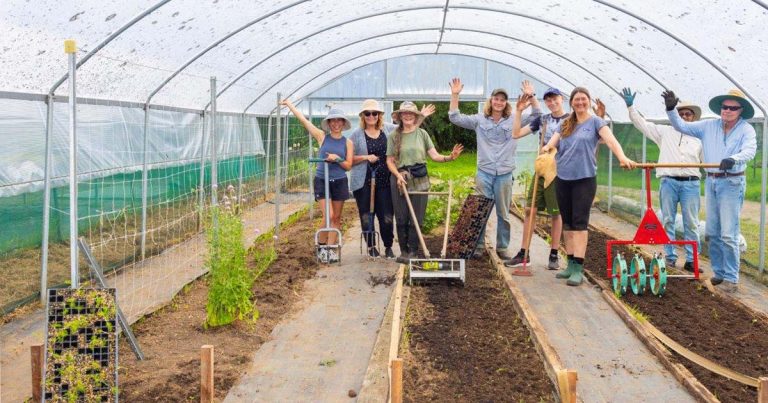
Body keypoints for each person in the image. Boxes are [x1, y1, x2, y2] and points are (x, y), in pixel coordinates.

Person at [662, 89, 757, 293]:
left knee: (729, 233)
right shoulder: (708, 126)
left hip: (732, 182)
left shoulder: (746, 130)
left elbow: (750, 150)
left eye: (733, 108)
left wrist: (734, 159)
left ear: (740, 111)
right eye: (725, 107)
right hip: (712, 181)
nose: (728, 110)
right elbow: (681, 125)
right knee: (712, 232)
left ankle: (731, 278)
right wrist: (671, 109)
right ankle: (720, 273)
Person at [541, 87, 636, 286]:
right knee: (567, 222)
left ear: (588, 101)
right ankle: (570, 263)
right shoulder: (566, 123)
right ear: (572, 103)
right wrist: (546, 149)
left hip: (584, 179)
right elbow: (552, 142)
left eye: (583, 99)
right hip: (563, 178)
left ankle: (579, 266)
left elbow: (611, 141)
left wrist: (622, 157)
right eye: (577, 100)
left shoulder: (596, 122)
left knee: (579, 223)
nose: (580, 103)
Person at [448, 78, 541, 260]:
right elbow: (454, 117)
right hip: (484, 173)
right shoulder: (479, 120)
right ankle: (478, 247)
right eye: (496, 99)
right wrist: (455, 94)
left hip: (505, 173)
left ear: (506, 103)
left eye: (502, 99)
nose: (499, 102)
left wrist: (532, 95)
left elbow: (537, 115)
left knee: (503, 213)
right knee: (480, 210)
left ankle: (502, 247)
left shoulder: (515, 119)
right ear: (491, 101)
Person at [622, 87, 704, 272]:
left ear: (694, 117)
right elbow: (642, 124)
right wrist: (630, 107)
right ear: (674, 114)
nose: (684, 116)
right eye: (680, 113)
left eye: (688, 114)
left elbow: (707, 159)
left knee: (691, 221)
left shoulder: (699, 137)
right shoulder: (664, 132)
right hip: (669, 182)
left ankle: (692, 260)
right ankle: (670, 256)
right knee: (668, 219)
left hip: (691, 183)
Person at [349, 99, 435, 259]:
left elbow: (408, 127)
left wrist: (421, 116)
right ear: (363, 116)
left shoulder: (388, 129)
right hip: (363, 182)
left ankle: (388, 246)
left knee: (387, 216)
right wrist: (365, 157)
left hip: (385, 181)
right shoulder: (356, 134)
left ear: (379, 115)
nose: (371, 116)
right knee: (366, 215)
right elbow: (349, 159)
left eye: (374, 113)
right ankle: (371, 246)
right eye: (367, 113)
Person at [386, 101, 464, 263]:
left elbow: (434, 156)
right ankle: (404, 252)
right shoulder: (394, 136)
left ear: (416, 117)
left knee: (417, 216)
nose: (408, 116)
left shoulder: (422, 134)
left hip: (420, 177)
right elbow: (390, 161)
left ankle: (413, 251)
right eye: (404, 113)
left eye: (411, 113)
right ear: (400, 116)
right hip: (399, 178)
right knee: (401, 216)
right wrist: (398, 176)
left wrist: (449, 157)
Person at [281, 99, 353, 263]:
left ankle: (331, 250)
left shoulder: (348, 143)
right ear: (328, 123)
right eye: (332, 121)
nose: (335, 124)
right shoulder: (322, 137)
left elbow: (348, 166)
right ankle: (321, 246)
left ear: (343, 123)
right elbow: (304, 121)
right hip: (322, 180)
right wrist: (290, 105)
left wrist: (337, 159)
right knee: (329, 215)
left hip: (340, 181)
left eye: (338, 121)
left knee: (336, 218)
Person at [506, 87, 568, 269]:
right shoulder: (543, 120)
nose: (552, 102)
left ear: (561, 99)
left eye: (555, 99)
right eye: (548, 100)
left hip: (559, 172)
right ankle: (524, 253)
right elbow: (516, 133)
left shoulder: (571, 119)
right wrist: (518, 111)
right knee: (529, 210)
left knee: (556, 214)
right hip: (542, 168)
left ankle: (554, 254)